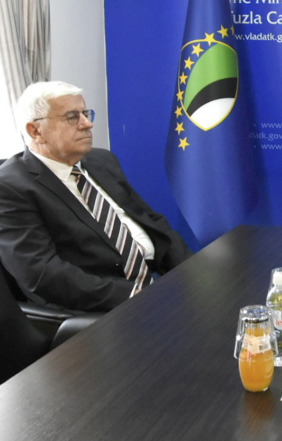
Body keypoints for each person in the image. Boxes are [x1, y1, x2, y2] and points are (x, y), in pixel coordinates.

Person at [0, 81, 192, 312]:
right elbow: (41, 274)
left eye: (85, 113)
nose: (87, 124)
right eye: (72, 117)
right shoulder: (10, 187)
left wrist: (192, 271)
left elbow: (149, 221)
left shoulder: (102, 161)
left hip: (154, 284)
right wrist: (136, 295)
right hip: (98, 306)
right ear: (35, 131)